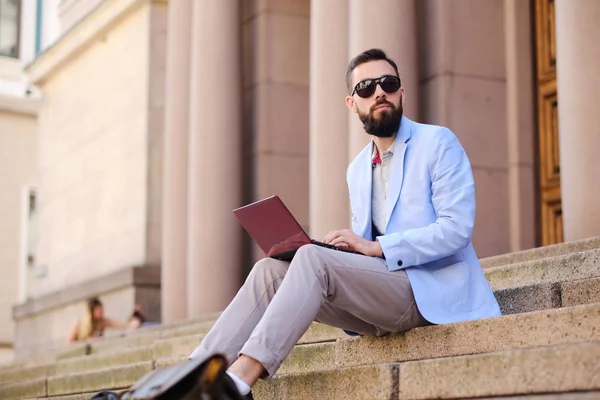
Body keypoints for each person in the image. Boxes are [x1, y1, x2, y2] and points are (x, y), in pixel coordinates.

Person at [188, 48, 502, 399]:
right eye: (366, 88)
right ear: (352, 103)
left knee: (313, 260)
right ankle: (191, 375)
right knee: (269, 271)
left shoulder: (437, 142)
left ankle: (239, 381)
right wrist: (342, 251)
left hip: (431, 292)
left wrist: (373, 247)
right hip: (382, 295)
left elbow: (456, 229)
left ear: (402, 92)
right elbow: (365, 252)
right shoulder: (357, 169)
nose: (379, 92)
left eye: (388, 83)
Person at [67, 297, 144, 343]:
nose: (102, 312)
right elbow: (70, 342)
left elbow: (119, 324)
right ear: (92, 312)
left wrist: (133, 321)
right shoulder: (80, 324)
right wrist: (87, 340)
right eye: (99, 310)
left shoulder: (102, 322)